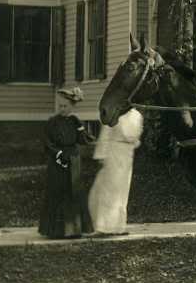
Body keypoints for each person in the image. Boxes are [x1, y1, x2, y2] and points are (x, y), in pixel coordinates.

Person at [39, 87, 94, 239]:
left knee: (73, 192)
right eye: (60, 106)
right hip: (58, 160)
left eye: (65, 106)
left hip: (73, 160)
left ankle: (74, 229)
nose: (62, 109)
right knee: (58, 192)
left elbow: (83, 140)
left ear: (72, 106)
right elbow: (47, 143)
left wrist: (80, 126)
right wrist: (58, 153)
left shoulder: (74, 121)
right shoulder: (52, 122)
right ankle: (56, 230)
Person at [88, 107, 144, 236]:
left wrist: (133, 143)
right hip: (113, 151)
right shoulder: (114, 112)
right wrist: (102, 154)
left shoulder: (137, 115)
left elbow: (138, 136)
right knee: (108, 189)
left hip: (127, 154)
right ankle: (102, 227)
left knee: (122, 191)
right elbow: (105, 133)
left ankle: (118, 226)